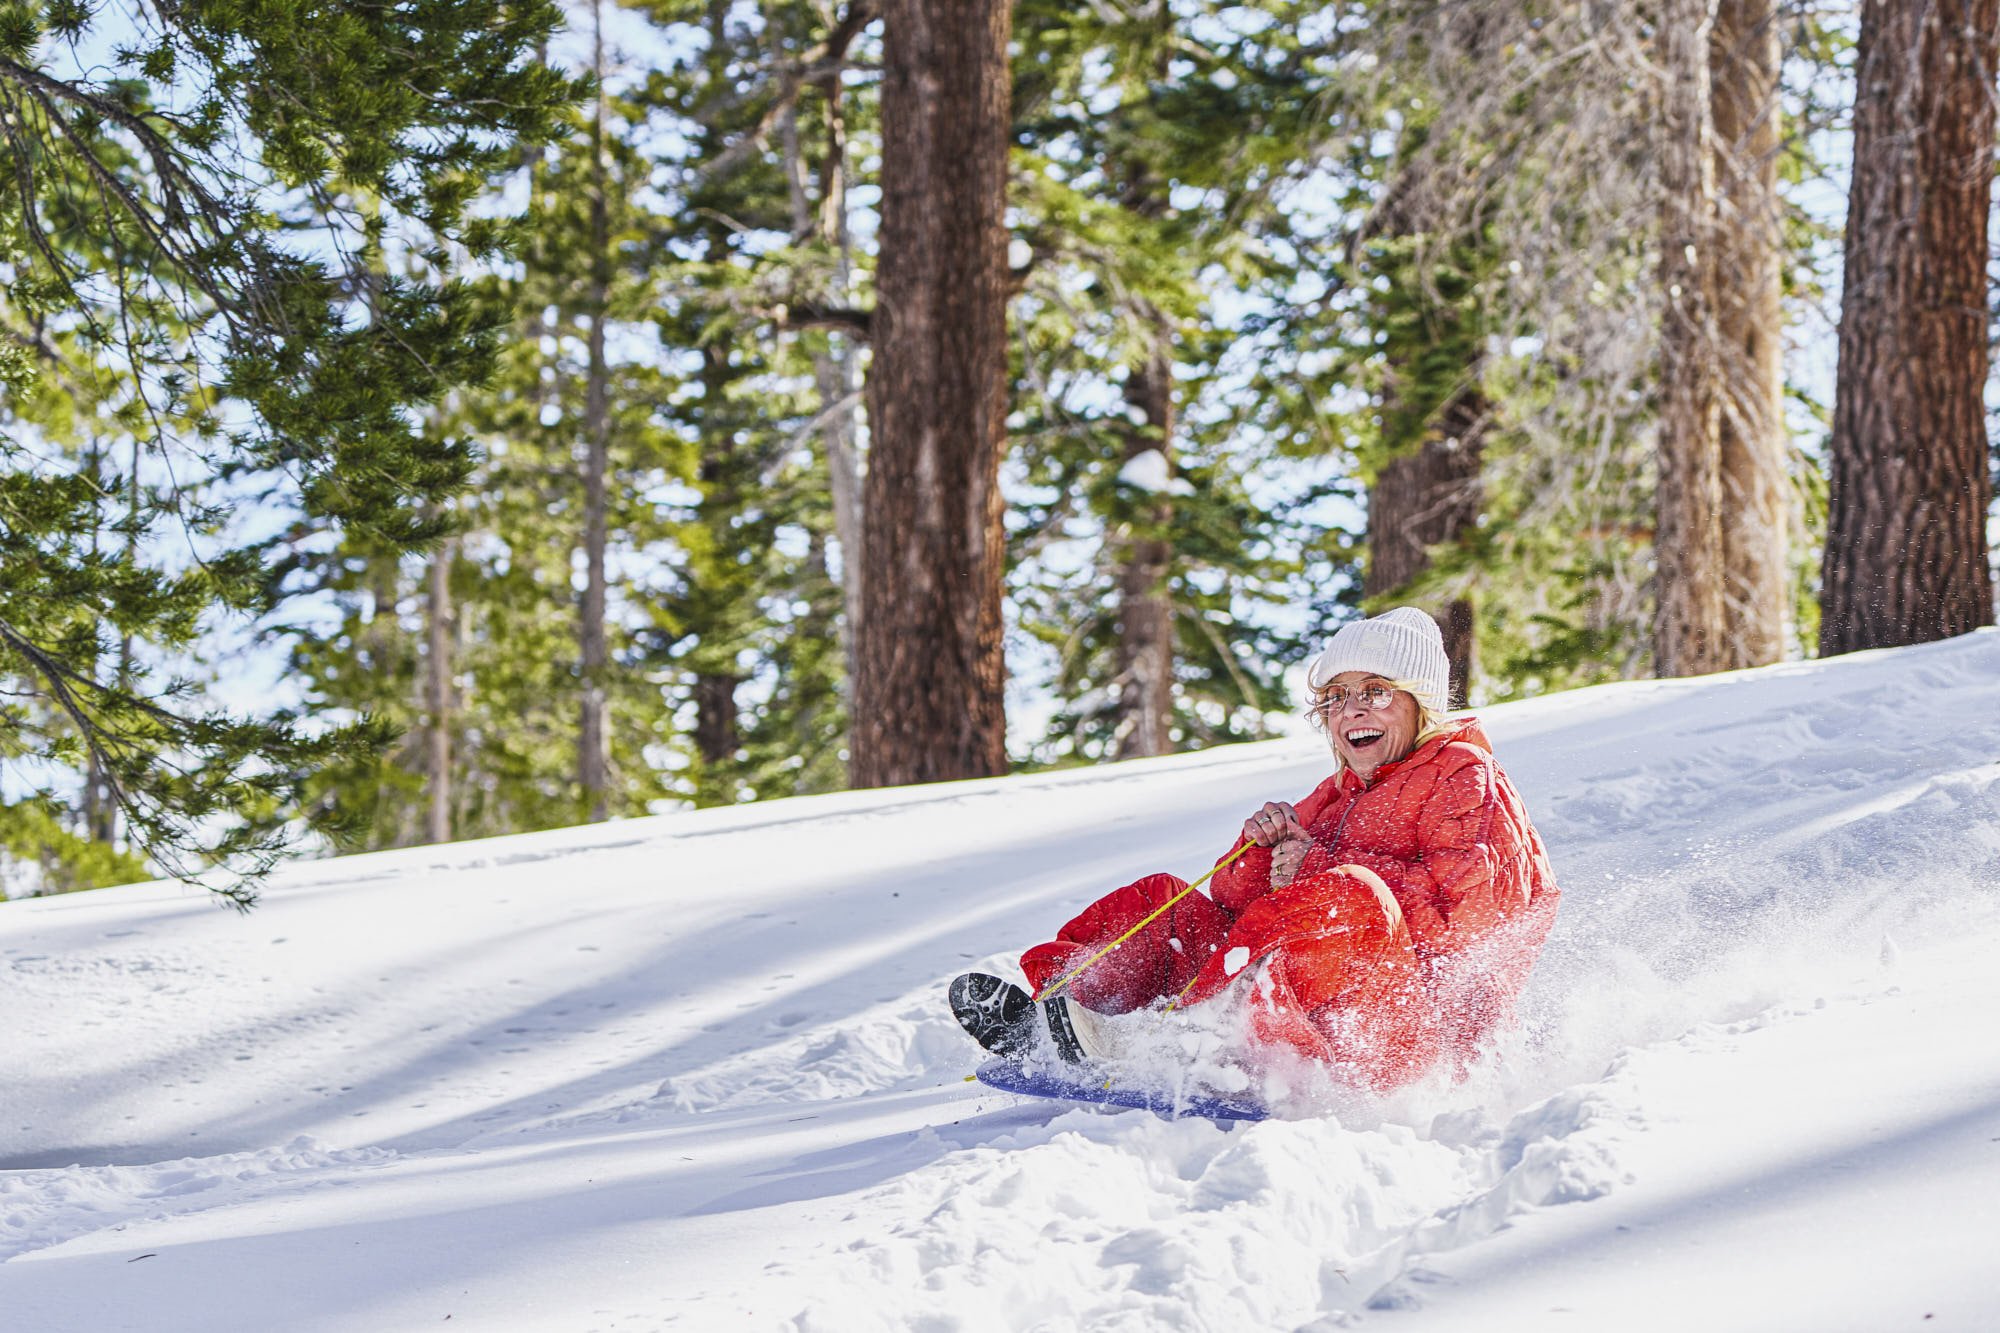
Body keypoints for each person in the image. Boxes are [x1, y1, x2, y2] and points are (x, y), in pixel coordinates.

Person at [950, 606, 1561, 1093]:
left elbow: (1472, 919)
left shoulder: (1465, 776)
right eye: (1336, 698)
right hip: (1307, 1005)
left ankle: (1170, 1042)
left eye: (1374, 691)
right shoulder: (1338, 792)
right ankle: (1062, 1015)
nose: (1351, 711)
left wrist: (1317, 867)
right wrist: (1260, 851)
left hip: (1413, 1037)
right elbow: (1236, 908)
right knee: (1169, 901)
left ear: (1420, 701)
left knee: (1347, 898)